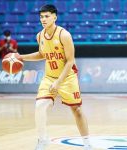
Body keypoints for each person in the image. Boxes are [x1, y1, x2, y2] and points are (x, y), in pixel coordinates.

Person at [21, 5, 91, 150]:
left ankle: (87, 143)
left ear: (55, 17)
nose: (43, 19)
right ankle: (42, 140)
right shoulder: (39, 36)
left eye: (46, 16)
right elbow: (42, 54)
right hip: (49, 77)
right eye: (41, 17)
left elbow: (70, 61)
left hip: (67, 77)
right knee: (39, 106)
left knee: (76, 110)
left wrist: (59, 82)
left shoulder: (64, 35)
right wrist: (21, 57)